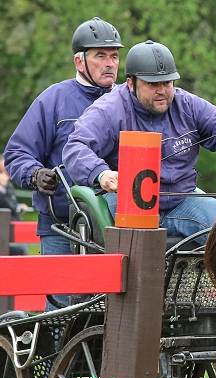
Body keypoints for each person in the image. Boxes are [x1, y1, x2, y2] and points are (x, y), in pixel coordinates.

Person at [63, 40, 216, 243]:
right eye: (152, 84)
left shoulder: (186, 104)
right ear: (131, 83)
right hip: (127, 201)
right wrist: (102, 174)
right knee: (136, 251)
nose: (162, 91)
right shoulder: (108, 110)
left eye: (167, 83)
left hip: (181, 199)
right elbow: (76, 147)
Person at [3, 17, 123, 258]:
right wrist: (35, 175)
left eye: (114, 56)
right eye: (101, 56)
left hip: (116, 225)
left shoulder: (128, 100)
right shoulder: (53, 100)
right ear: (79, 62)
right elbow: (16, 154)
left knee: (111, 297)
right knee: (61, 296)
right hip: (60, 226)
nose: (110, 63)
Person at [0, 156, 29, 255]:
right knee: (21, 251)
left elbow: (12, 204)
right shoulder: (3, 186)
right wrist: (2, 188)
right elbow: (6, 205)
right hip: (3, 230)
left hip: (13, 228)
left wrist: (19, 206)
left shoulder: (8, 185)